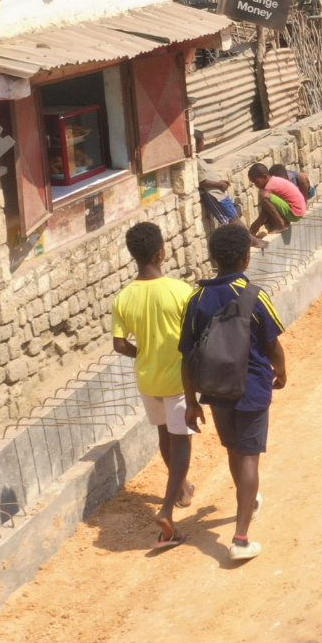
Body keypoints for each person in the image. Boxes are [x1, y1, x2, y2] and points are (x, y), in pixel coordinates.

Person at [180, 225, 285, 563]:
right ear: (245, 257)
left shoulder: (196, 299)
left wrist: (192, 402)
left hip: (215, 390)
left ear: (213, 258)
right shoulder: (253, 294)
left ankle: (248, 499)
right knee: (250, 455)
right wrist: (280, 371)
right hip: (252, 388)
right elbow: (272, 344)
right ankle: (240, 538)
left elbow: (187, 355)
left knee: (233, 450)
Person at [112, 222, 198, 549]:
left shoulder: (123, 298)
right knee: (183, 440)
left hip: (147, 379)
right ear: (161, 252)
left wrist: (143, 353)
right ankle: (166, 508)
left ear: (133, 256)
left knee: (164, 434)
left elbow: (120, 345)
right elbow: (194, 336)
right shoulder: (180, 291)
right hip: (179, 380)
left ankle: (184, 489)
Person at [247, 162, 307, 240]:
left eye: (257, 182)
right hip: (300, 212)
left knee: (264, 195)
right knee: (267, 196)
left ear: (264, 177)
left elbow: (263, 213)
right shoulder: (275, 180)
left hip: (294, 213)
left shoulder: (269, 187)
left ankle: (281, 224)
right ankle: (283, 221)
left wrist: (254, 229)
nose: (256, 186)